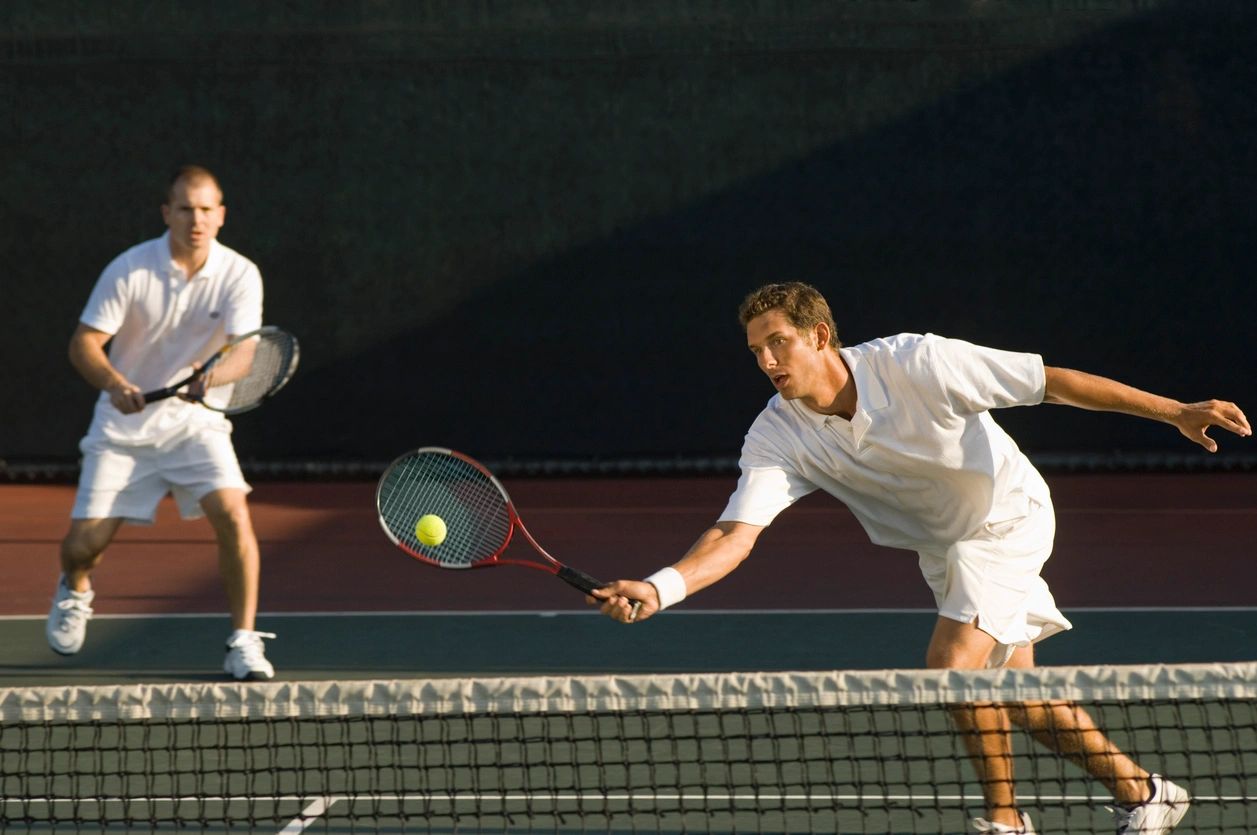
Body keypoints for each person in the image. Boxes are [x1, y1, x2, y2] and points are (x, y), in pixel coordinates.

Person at [591, 282, 1250, 835]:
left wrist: (1176, 412)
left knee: (951, 667)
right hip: (945, 545)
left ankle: (1004, 820)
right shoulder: (777, 430)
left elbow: (1050, 383)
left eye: (777, 342)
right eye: (755, 350)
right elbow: (734, 532)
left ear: (819, 336)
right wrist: (660, 587)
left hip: (1004, 519)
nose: (765, 360)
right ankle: (1147, 793)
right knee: (1019, 696)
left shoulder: (918, 362)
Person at [46, 165, 277, 681]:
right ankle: (75, 588)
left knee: (234, 513)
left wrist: (208, 373)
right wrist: (114, 383)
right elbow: (83, 343)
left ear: (221, 215)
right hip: (122, 431)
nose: (196, 219)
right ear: (166, 213)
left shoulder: (240, 273)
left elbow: (247, 354)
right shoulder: (130, 269)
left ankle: (243, 641)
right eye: (185, 209)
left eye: (206, 209)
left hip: (195, 424)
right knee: (83, 547)